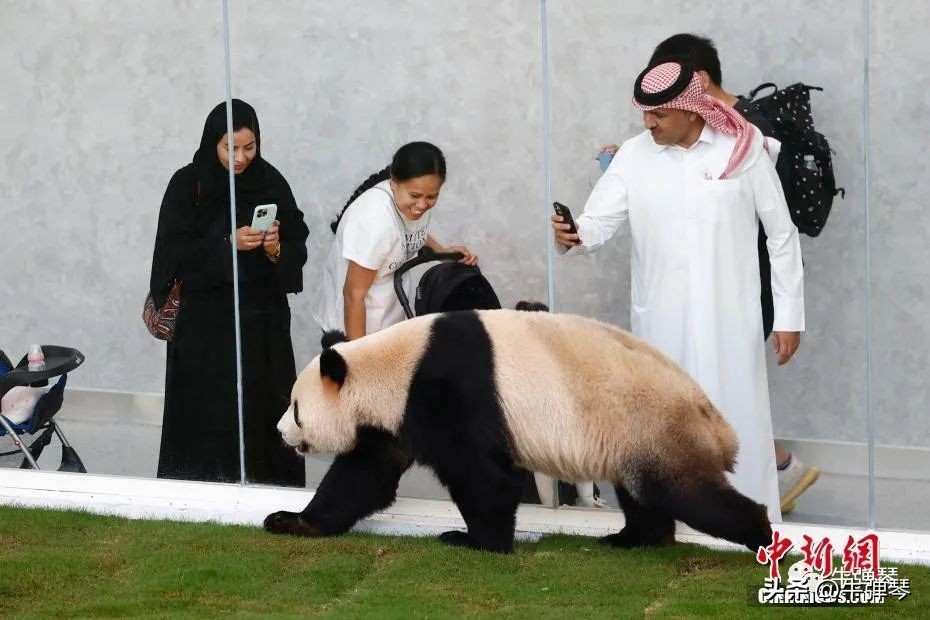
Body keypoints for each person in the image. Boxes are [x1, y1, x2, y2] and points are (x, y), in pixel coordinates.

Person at [553, 59, 805, 523]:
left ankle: (750, 522)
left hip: (731, 317)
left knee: (736, 415)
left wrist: (789, 315)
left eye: (658, 115)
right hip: (662, 319)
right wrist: (573, 234)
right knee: (666, 420)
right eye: (644, 114)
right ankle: (668, 525)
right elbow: (597, 223)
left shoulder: (743, 150)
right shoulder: (633, 155)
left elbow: (781, 234)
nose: (648, 123)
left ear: (691, 111)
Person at [150, 99, 308, 486]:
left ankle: (271, 491)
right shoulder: (188, 185)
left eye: (249, 147)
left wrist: (275, 249)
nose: (241, 158)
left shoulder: (270, 180)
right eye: (230, 148)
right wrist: (227, 244)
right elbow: (173, 255)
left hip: (262, 326)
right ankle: (200, 494)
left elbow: (297, 241)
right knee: (207, 413)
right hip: (205, 332)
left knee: (263, 407)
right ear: (212, 143)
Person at [313, 142, 477, 340]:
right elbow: (353, 295)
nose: (423, 205)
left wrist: (443, 254)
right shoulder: (375, 221)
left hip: (388, 325)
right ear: (394, 183)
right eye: (415, 195)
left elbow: (409, 232)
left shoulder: (411, 203)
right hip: (356, 330)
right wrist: (357, 358)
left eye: (432, 196)